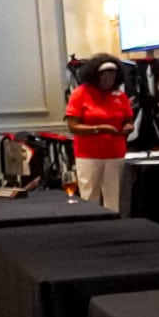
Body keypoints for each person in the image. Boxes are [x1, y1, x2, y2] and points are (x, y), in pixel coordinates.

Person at [63, 55, 131, 210]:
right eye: (105, 77)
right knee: (89, 196)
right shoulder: (80, 93)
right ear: (95, 76)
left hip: (115, 153)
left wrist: (128, 127)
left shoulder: (120, 95)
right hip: (89, 154)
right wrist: (100, 129)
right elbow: (73, 126)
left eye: (112, 77)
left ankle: (114, 223)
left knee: (114, 197)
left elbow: (127, 119)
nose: (109, 80)